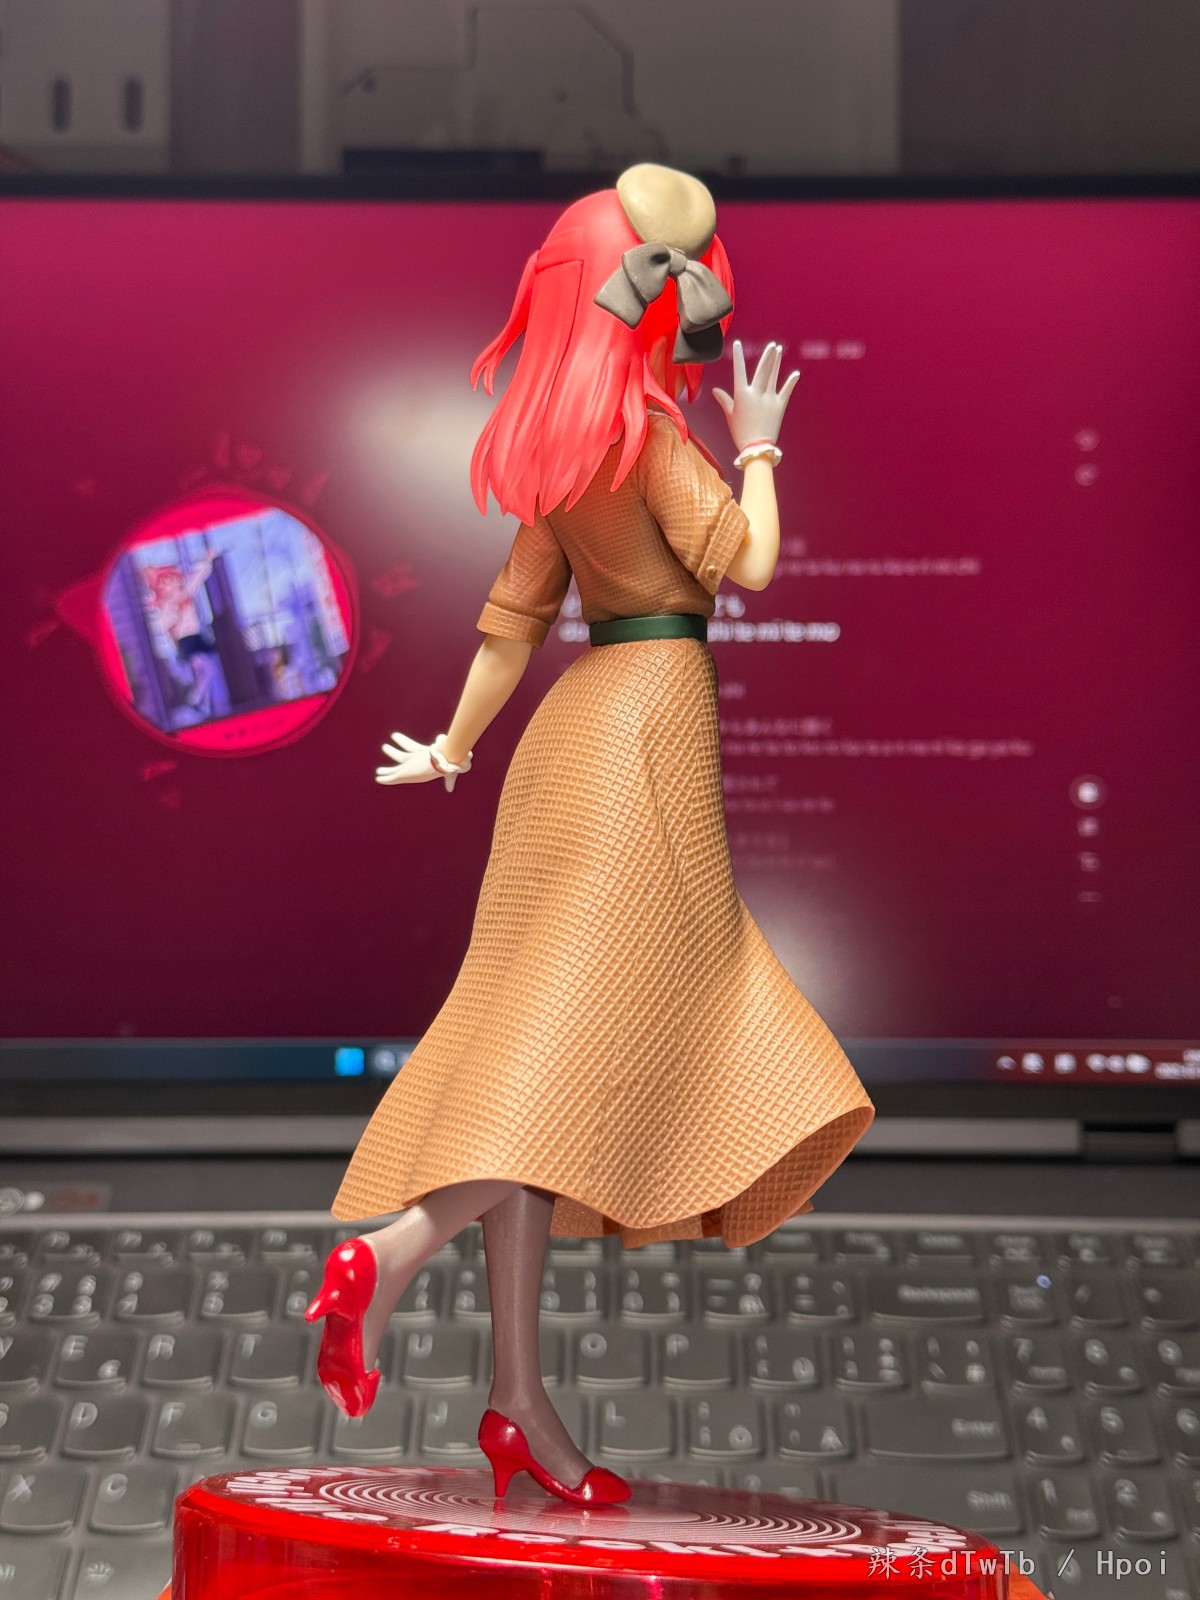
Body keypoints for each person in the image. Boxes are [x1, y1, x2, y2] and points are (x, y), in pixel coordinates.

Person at [305, 165, 875, 1506]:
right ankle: (392, 1253)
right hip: (647, 730)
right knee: (598, 1051)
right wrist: (763, 444)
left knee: (533, 1058)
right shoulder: (656, 442)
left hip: (566, 742)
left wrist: (454, 747)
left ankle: (518, 1400)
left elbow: (511, 627)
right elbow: (750, 563)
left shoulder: (566, 453)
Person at [142, 553, 218, 716]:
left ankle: (203, 705)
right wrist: (176, 613)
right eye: (164, 582)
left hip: (196, 636)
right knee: (207, 669)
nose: (170, 584)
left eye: (172, 579)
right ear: (160, 588)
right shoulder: (167, 604)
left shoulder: (185, 592)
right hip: (185, 640)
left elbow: (197, 577)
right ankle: (195, 698)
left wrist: (207, 559)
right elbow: (160, 625)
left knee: (206, 671)